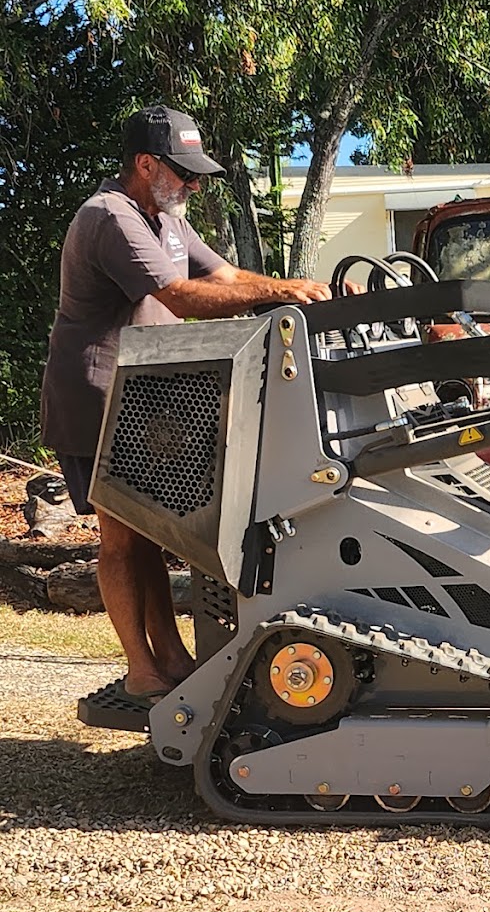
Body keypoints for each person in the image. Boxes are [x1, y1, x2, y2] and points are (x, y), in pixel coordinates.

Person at [40, 104, 333, 705]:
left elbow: (224, 277)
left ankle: (170, 656)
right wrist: (282, 294)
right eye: (183, 171)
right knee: (122, 537)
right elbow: (181, 298)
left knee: (151, 530)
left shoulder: (165, 217)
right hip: (96, 394)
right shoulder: (110, 217)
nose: (194, 184)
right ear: (145, 165)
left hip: (141, 396)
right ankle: (141, 670)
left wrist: (303, 290)